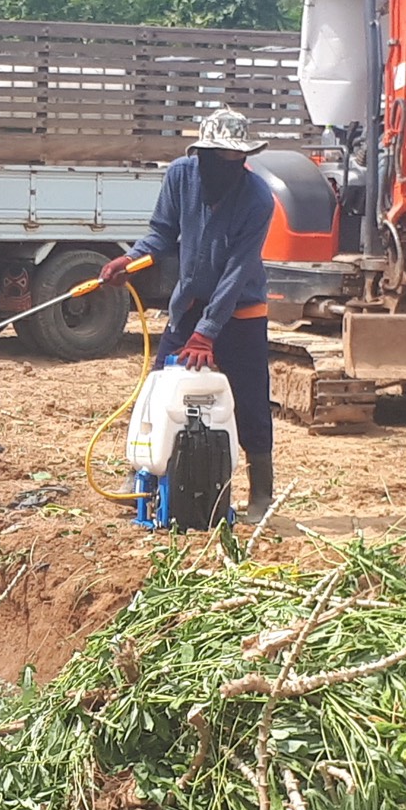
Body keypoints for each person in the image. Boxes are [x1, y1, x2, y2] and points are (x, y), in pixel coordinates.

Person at [101, 108, 278, 523]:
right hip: (189, 306)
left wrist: (208, 333)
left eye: (235, 158)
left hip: (241, 312)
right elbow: (162, 231)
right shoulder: (182, 175)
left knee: (250, 402)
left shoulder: (257, 198)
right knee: (156, 388)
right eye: (218, 156)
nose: (226, 165)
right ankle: (141, 478)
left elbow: (238, 268)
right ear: (201, 153)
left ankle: (262, 493)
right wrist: (131, 258)